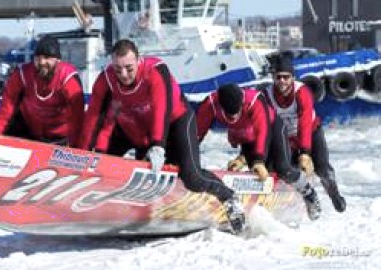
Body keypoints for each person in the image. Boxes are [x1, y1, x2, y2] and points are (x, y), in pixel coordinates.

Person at [78, 39, 246, 234]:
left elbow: (161, 110)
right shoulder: (106, 79)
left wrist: (158, 145)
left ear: (139, 61)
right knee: (130, 172)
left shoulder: (155, 70)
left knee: (191, 177)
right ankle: (111, 207)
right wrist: (82, 156)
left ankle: (229, 197)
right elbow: (94, 119)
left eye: (129, 68)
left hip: (177, 121)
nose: (123, 74)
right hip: (142, 130)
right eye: (117, 69)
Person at [0, 35, 85, 229]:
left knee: (50, 174)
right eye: (38, 57)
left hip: (59, 137)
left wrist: (78, 151)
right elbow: (6, 110)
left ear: (57, 60)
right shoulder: (22, 74)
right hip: (29, 128)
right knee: (2, 163)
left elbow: (77, 119)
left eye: (48, 58)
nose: (42, 62)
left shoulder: (68, 79)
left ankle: (61, 210)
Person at [196, 83, 322, 221]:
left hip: (272, 129)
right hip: (247, 136)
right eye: (228, 114)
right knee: (258, 177)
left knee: (282, 169)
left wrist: (258, 160)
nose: (233, 117)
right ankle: (252, 205)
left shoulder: (254, 101)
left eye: (236, 112)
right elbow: (196, 133)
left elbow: (263, 132)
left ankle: (307, 191)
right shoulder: (210, 104)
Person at [263, 55, 346, 212]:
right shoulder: (267, 95)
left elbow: (305, 121)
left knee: (321, 168)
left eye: (286, 77)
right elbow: (263, 126)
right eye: (278, 77)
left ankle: (335, 195)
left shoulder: (301, 92)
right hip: (286, 137)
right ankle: (300, 198)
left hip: (311, 133)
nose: (282, 81)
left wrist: (305, 152)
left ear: (293, 78)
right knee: (281, 168)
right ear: (273, 78)